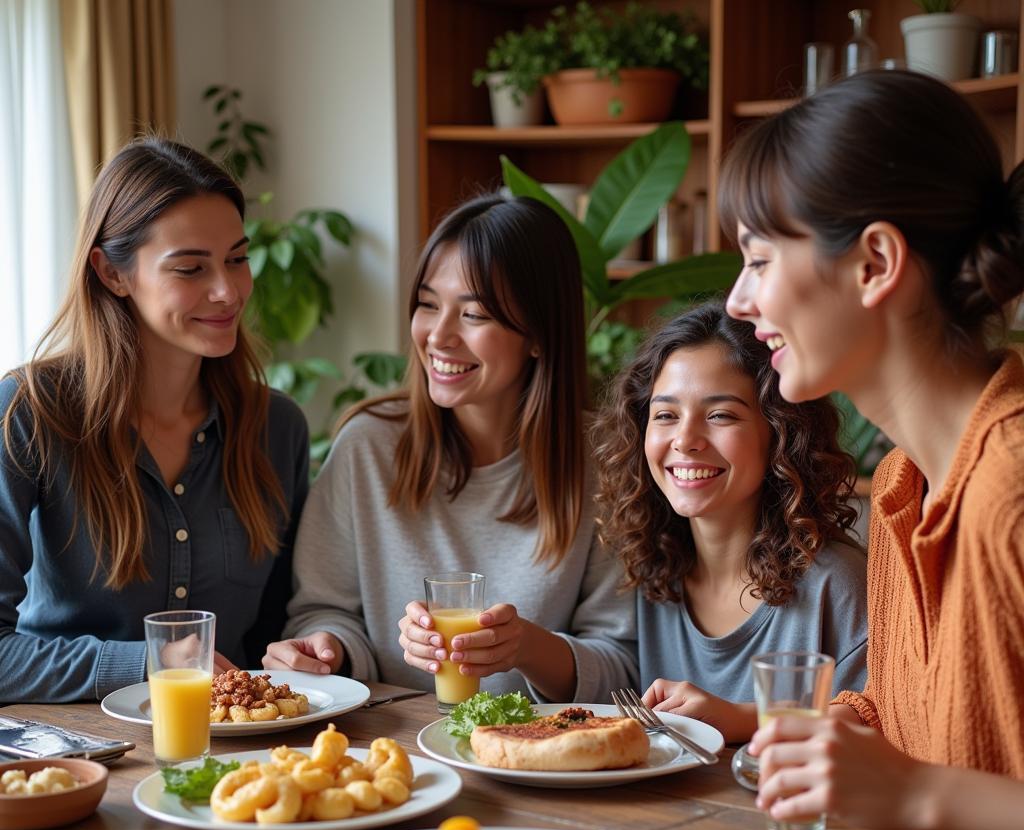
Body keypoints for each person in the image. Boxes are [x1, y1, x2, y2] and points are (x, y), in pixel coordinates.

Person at [721, 67, 1024, 830]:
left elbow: (930, 777)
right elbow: (920, 719)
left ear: (876, 264)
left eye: (760, 259)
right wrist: (843, 734)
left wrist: (918, 795)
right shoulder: (901, 486)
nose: (739, 301)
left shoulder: (1011, 485)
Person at [264, 194, 636, 702]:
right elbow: (322, 612)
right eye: (428, 304)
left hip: (539, 757)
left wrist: (527, 647)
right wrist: (328, 649)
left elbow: (624, 665)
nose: (438, 336)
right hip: (390, 751)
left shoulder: (605, 462)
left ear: (539, 335)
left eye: (475, 315)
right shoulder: (368, 447)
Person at [0, 137, 309, 705]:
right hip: (73, 757)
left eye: (238, 259)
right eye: (190, 267)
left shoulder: (276, 427)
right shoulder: (28, 413)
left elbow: (275, 630)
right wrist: (152, 664)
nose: (227, 291)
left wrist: (303, 648)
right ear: (112, 273)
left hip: (234, 755)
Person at [592, 301, 867, 743]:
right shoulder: (651, 568)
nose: (685, 440)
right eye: (665, 415)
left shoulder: (836, 585)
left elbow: (886, 727)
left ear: (780, 433)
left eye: (720, 415)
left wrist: (742, 718)